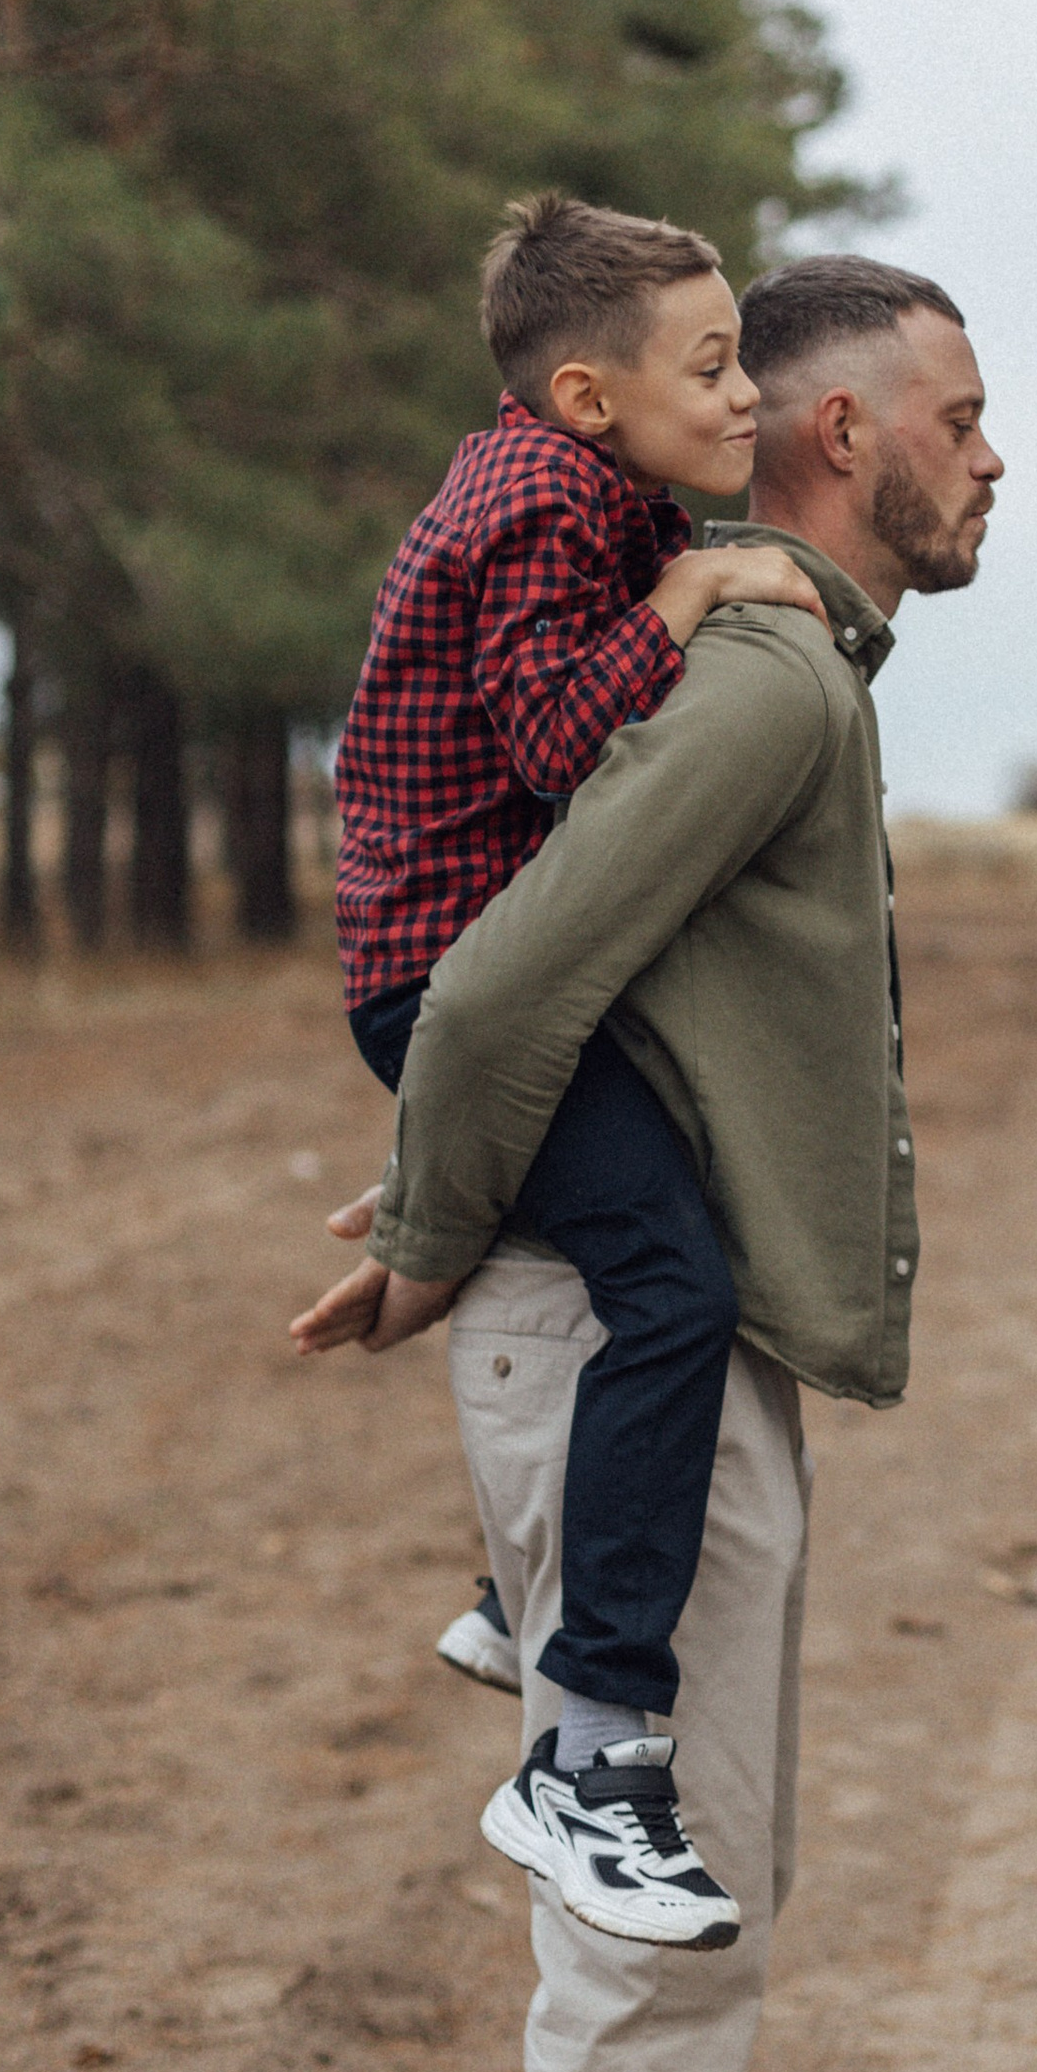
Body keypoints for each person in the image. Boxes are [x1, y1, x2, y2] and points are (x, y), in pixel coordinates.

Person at [295, 253, 1001, 2072]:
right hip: (611, 1338)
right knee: (660, 1895)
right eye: (958, 413)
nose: (992, 454)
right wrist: (427, 1217)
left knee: (658, 1887)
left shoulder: (771, 647)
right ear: (831, 438)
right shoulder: (763, 666)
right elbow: (487, 983)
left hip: (609, 1322)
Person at [334, 192, 828, 1946]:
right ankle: (592, 1746)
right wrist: (694, 588)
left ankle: (508, 1590)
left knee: (659, 1195)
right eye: (710, 370)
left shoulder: (568, 484)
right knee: (672, 1286)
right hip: (462, 984)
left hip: (484, 975)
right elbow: (556, 740)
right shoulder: (551, 507)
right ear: (586, 394)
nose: (745, 398)